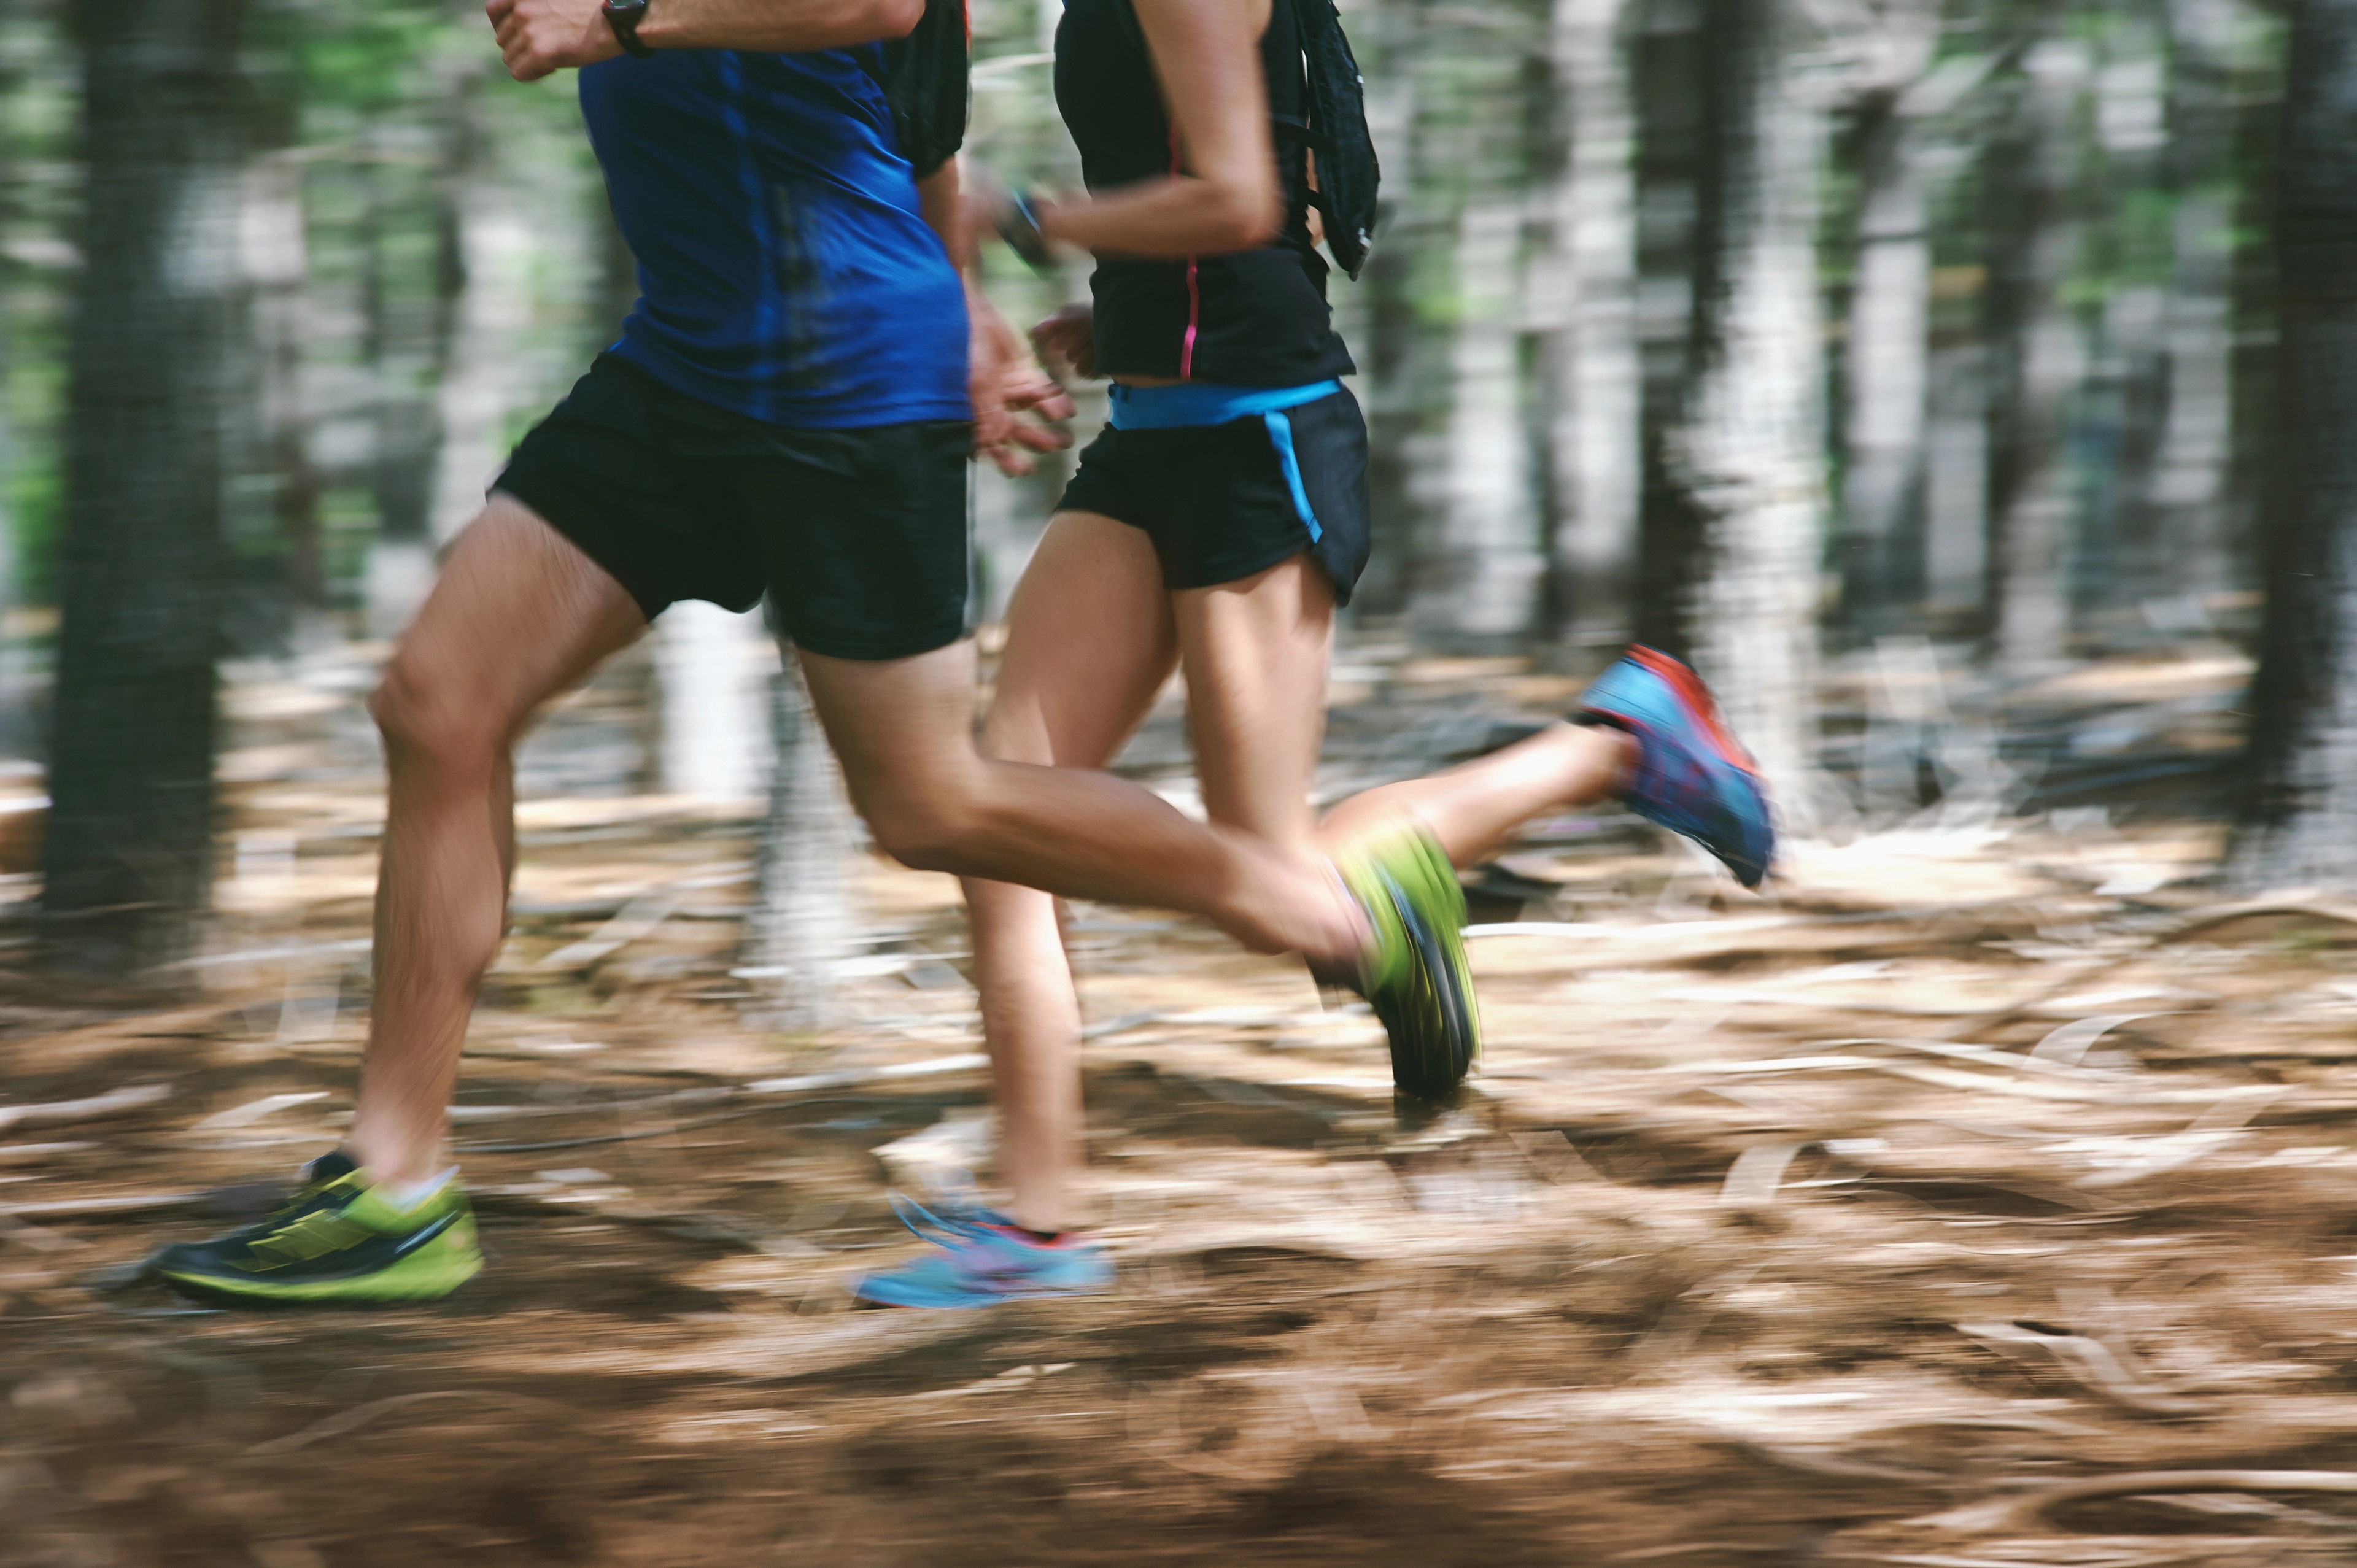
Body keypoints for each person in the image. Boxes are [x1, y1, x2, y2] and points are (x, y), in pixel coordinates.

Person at [147, 0, 1476, 1306]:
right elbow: (924, 100)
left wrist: (615, 23)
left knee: (930, 807)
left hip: (839, 373)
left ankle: (1349, 925)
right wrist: (970, 305)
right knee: (434, 702)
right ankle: (397, 1189)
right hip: (684, 359)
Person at [848, 0, 1773, 1308]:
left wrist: (1017, 214)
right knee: (992, 820)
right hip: (1159, 433)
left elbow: (1236, 200)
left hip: (1257, 441)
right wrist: (1114, 322)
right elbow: (1217, 201)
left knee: (1270, 875)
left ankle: (1621, 744)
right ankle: (1041, 1224)